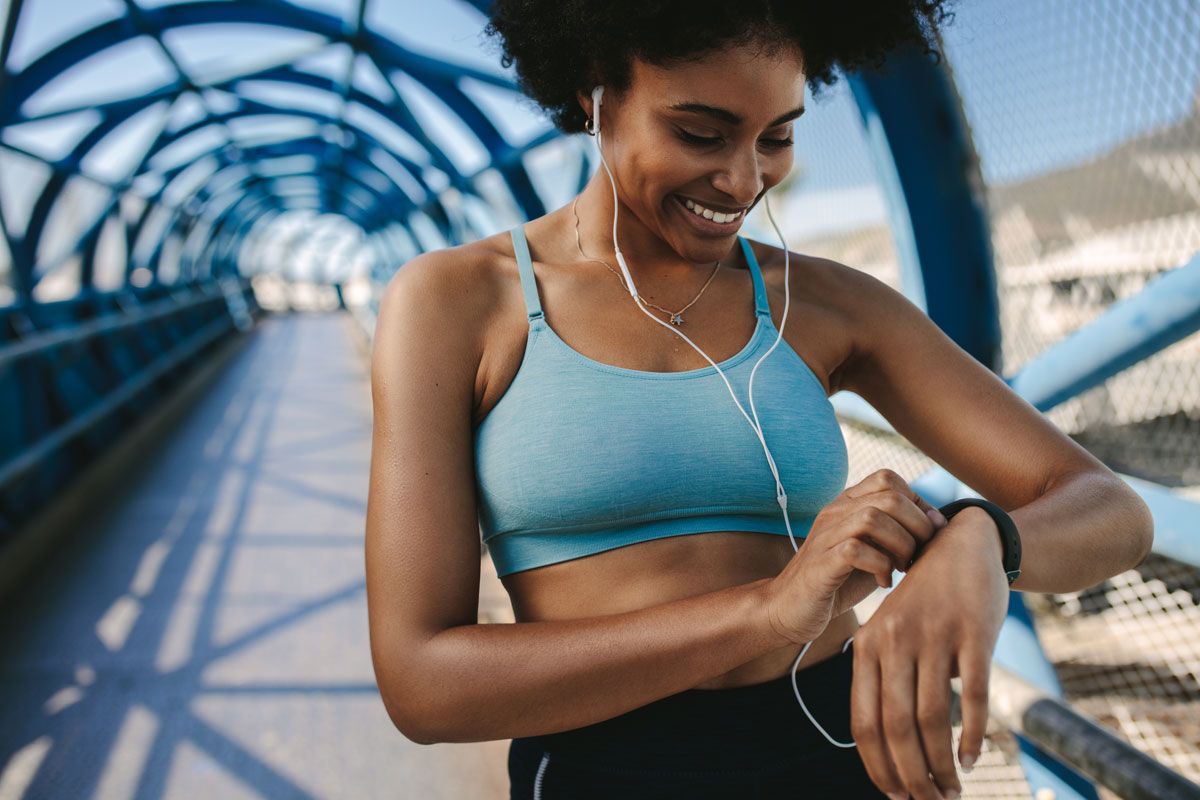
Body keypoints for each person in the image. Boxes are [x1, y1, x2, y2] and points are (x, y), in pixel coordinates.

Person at [364, 2, 1154, 798]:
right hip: (597, 770)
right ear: (592, 91)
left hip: (842, 754)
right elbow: (422, 682)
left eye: (776, 136)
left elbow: (1110, 511)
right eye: (700, 134)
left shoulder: (826, 303)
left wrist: (981, 540)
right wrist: (769, 612)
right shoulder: (458, 303)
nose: (744, 180)